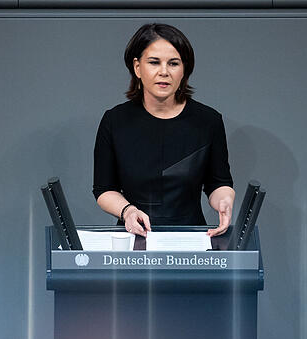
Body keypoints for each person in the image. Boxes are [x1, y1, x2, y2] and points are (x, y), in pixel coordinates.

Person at [93, 23, 235, 238]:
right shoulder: (114, 121)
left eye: (173, 63)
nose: (164, 72)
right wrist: (128, 211)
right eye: (154, 62)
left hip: (191, 239)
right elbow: (104, 189)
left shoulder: (209, 121)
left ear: (184, 69)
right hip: (133, 239)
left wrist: (224, 201)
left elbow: (219, 183)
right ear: (137, 67)